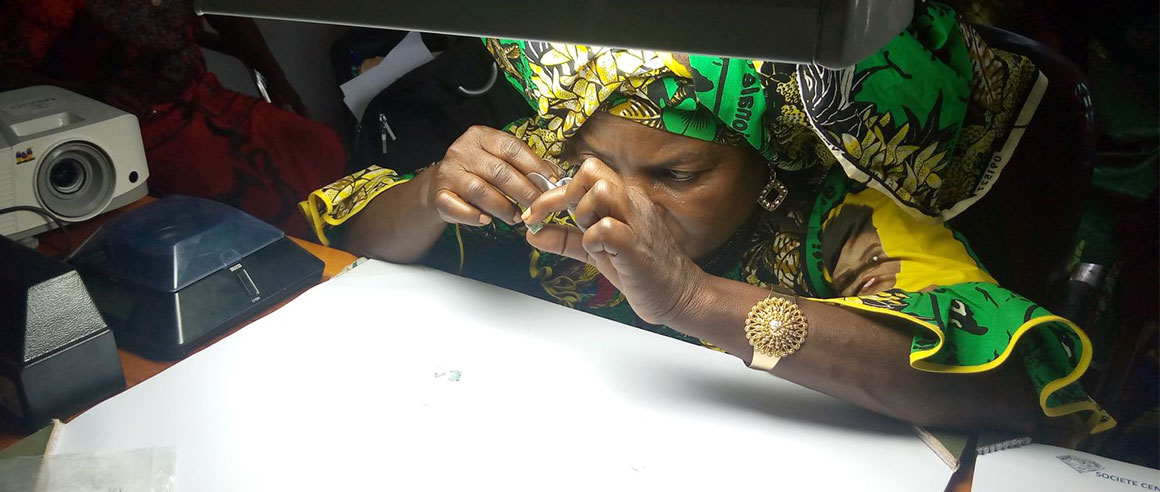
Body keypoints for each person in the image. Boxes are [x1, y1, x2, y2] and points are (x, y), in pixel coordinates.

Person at [303, 3, 1114, 438]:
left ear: (767, 159)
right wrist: (431, 192)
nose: (617, 198)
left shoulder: (842, 224)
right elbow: (349, 240)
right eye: (600, 155)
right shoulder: (545, 173)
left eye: (677, 174)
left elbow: (1007, 389)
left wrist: (693, 299)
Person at [7, 0, 344, 239]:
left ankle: (319, 244)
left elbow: (230, 21)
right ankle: (284, 262)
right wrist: (94, 92)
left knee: (318, 145)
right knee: (240, 190)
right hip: (136, 124)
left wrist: (276, 78)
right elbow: (9, 75)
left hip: (204, 99)